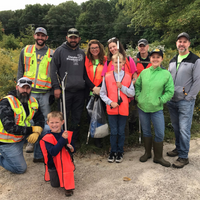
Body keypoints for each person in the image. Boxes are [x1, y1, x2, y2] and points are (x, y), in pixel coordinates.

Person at [17, 27, 54, 154]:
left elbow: (54, 74)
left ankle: (45, 142)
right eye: (38, 35)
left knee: (46, 118)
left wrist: (55, 89)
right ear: (34, 36)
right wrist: (19, 88)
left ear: (46, 38)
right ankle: (30, 142)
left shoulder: (52, 53)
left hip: (45, 92)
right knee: (29, 117)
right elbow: (20, 70)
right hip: (29, 91)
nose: (40, 38)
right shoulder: (25, 50)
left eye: (42, 36)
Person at [135, 49, 174, 167]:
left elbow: (170, 91)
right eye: (153, 57)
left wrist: (160, 100)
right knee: (146, 131)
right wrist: (138, 97)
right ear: (150, 59)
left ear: (162, 59)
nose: (155, 59)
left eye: (158, 57)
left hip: (157, 109)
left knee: (160, 133)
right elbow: (137, 86)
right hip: (143, 108)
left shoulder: (166, 74)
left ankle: (158, 157)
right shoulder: (144, 73)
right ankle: (147, 153)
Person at [166, 32, 200, 168]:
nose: (182, 44)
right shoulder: (172, 60)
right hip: (172, 100)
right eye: (180, 41)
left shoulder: (195, 60)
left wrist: (189, 97)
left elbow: (198, 80)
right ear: (176, 44)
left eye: (184, 41)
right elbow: (168, 79)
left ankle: (184, 156)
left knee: (184, 129)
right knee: (176, 127)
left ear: (189, 44)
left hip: (185, 101)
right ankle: (179, 148)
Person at [0, 77, 45, 174]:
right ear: (17, 87)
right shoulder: (6, 102)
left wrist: (37, 131)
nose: (25, 90)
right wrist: (33, 129)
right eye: (22, 87)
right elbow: (9, 128)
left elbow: (40, 118)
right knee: (20, 169)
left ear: (30, 89)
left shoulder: (32, 101)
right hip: (8, 141)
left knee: (47, 129)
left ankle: (38, 156)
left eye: (27, 88)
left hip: (22, 136)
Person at [51, 28, 85, 150]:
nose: (73, 40)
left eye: (75, 37)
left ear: (79, 39)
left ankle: (73, 142)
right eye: (71, 37)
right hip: (65, 91)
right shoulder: (59, 51)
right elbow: (53, 70)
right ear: (67, 38)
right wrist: (56, 87)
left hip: (80, 92)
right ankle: (61, 142)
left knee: (76, 118)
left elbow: (85, 72)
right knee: (62, 118)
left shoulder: (82, 53)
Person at [100, 53, 135, 163]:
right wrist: (110, 103)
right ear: (112, 63)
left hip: (123, 108)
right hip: (112, 109)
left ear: (124, 63)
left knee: (121, 131)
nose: (118, 64)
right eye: (116, 62)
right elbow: (102, 93)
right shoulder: (107, 76)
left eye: (120, 62)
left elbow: (131, 93)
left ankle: (120, 151)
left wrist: (122, 87)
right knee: (114, 131)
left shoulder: (128, 76)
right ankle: (113, 151)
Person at [40, 111, 75, 197]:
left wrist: (71, 148)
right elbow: (53, 152)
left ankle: (68, 188)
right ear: (47, 123)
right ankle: (58, 178)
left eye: (57, 122)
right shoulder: (47, 137)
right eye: (52, 122)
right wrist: (62, 139)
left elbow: (73, 150)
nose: (54, 125)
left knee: (66, 172)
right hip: (53, 164)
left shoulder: (67, 134)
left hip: (65, 163)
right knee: (55, 185)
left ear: (62, 122)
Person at [85, 39, 107, 148]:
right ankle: (95, 137)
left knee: (101, 114)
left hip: (102, 91)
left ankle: (102, 136)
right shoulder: (87, 60)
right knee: (91, 115)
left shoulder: (105, 60)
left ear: (100, 48)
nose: (94, 50)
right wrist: (93, 87)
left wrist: (99, 88)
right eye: (92, 48)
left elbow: (107, 75)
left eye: (96, 47)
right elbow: (84, 75)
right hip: (90, 91)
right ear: (89, 49)